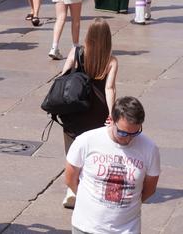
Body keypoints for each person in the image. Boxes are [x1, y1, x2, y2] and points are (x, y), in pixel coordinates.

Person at [65, 96, 159, 232]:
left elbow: (149, 189)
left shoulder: (149, 148)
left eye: (135, 133)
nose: (128, 138)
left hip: (126, 229)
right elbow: (70, 179)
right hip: (86, 227)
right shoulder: (86, 141)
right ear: (111, 120)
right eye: (122, 132)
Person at [58, 18, 118, 209]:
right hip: (98, 110)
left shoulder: (76, 52)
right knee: (92, 149)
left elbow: (64, 76)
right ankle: (87, 185)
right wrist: (111, 113)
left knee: (73, 147)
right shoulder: (111, 61)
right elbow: (110, 89)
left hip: (75, 106)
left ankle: (71, 189)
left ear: (89, 36)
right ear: (107, 39)